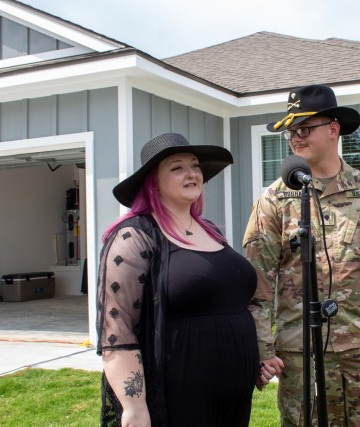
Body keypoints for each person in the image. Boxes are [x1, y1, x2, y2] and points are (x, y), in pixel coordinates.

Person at [243, 84, 360, 426]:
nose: (295, 138)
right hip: (299, 352)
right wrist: (262, 350)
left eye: (304, 129)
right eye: (291, 132)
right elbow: (257, 286)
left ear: (333, 129)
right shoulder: (274, 201)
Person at [96, 133, 274, 426]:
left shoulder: (212, 231)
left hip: (234, 391)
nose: (191, 173)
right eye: (177, 167)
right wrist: (133, 406)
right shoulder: (135, 236)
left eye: (195, 166)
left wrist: (258, 357)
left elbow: (228, 303)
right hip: (179, 393)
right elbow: (118, 330)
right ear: (152, 181)